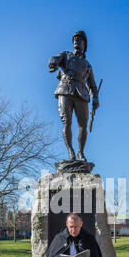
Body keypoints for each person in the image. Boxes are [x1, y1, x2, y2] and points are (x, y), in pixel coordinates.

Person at [48, 31, 99, 161]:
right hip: (65, 89)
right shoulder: (66, 55)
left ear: (85, 44)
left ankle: (80, 153)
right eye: (75, 38)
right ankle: (70, 153)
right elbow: (55, 58)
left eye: (80, 39)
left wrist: (96, 99)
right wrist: (53, 61)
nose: (76, 40)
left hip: (81, 93)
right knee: (67, 122)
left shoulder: (88, 65)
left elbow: (93, 85)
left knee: (82, 125)